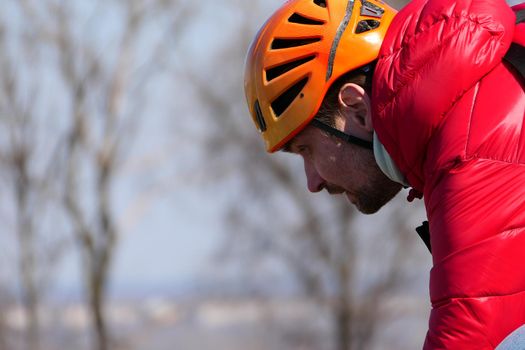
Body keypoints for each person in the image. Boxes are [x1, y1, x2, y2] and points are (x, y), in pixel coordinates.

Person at [244, 0, 525, 348]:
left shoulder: (469, 143)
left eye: (306, 150)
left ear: (357, 110)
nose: (312, 182)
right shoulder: (479, 86)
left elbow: (472, 334)